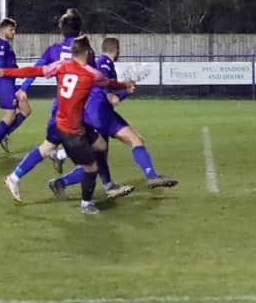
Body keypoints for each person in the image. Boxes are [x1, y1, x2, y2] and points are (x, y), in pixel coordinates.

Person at [0, 36, 135, 214]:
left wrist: (4, 72)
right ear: (88, 52)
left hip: (62, 120)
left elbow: (32, 71)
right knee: (92, 166)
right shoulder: (91, 73)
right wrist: (124, 86)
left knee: (98, 145)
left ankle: (15, 177)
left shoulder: (60, 66)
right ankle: (86, 203)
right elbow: (108, 82)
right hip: (72, 130)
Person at [49, 37, 179, 198]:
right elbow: (104, 86)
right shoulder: (104, 63)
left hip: (98, 113)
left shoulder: (103, 63)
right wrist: (111, 94)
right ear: (116, 50)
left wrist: (125, 92)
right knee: (134, 141)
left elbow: (111, 92)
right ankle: (151, 177)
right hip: (100, 114)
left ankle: (61, 181)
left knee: (98, 161)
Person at [0, 18, 31, 157]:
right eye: (11, 29)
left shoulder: (3, 45)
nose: (14, 32)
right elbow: (1, 68)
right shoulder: (2, 46)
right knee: (10, 115)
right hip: (5, 84)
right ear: (3, 30)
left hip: (11, 83)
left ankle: (4, 134)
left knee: (26, 110)